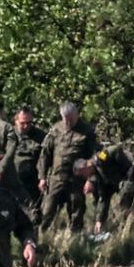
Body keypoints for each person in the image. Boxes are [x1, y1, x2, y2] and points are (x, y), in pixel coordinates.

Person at [38, 100, 96, 233]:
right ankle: (42, 237)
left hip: (76, 180)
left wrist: (90, 180)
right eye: (66, 119)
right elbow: (45, 154)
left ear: (77, 115)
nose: (69, 122)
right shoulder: (56, 129)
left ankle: (75, 240)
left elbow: (94, 158)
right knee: (48, 209)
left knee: (76, 210)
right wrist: (42, 177)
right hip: (56, 179)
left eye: (71, 119)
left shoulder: (87, 131)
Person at [85, 143, 134, 239]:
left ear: (87, 166)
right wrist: (99, 220)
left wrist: (129, 166)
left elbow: (114, 149)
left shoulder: (101, 157)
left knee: (124, 204)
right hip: (124, 181)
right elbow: (104, 199)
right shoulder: (100, 178)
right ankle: (130, 229)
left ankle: (132, 231)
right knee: (124, 208)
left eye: (84, 173)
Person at [7, 105, 45, 222]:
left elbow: (45, 158)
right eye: (22, 123)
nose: (26, 126)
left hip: (32, 183)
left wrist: (43, 178)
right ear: (16, 120)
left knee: (33, 215)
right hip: (11, 182)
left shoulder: (40, 136)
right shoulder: (8, 135)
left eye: (29, 123)